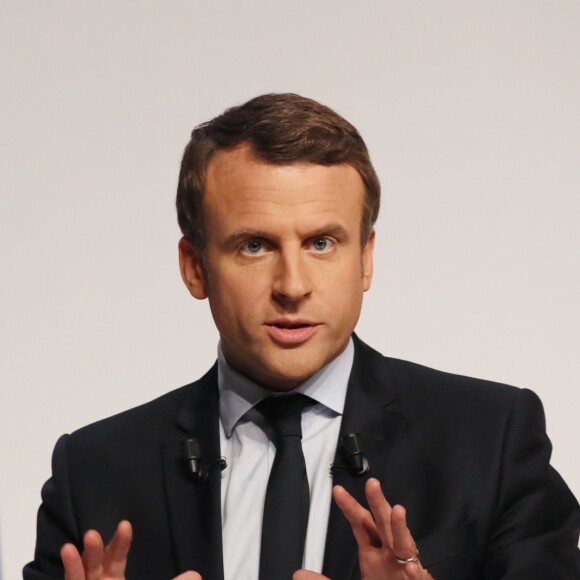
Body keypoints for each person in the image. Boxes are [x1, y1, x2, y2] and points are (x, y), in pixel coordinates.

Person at [24, 93, 580, 580]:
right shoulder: (94, 473)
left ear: (365, 259)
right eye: (254, 246)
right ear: (194, 267)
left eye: (321, 243)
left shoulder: (491, 441)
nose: (292, 286)